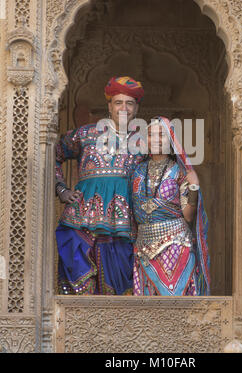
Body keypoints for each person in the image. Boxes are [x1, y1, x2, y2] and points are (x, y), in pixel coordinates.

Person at [55, 76, 144, 295]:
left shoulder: (145, 141)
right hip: (81, 220)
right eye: (118, 102)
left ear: (137, 108)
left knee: (121, 288)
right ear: (109, 106)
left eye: (129, 103)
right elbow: (51, 153)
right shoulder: (85, 134)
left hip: (124, 225)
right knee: (80, 278)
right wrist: (61, 189)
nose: (124, 108)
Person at [132, 116, 210, 296]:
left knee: (175, 302)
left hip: (175, 244)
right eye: (151, 135)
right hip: (143, 246)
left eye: (162, 135)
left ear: (171, 140)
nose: (157, 140)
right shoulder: (137, 170)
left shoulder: (180, 171)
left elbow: (188, 216)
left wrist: (194, 187)